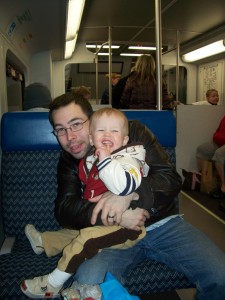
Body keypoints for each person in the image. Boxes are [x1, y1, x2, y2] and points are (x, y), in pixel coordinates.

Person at [21, 92, 225, 300]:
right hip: (108, 236)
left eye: (76, 124)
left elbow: (170, 178)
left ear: (91, 121)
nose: (70, 137)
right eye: (60, 130)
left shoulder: (131, 131)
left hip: (162, 224)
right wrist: (116, 215)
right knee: (89, 283)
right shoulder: (70, 161)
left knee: (221, 276)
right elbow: (64, 210)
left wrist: (130, 197)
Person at [21, 107, 148, 299]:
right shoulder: (90, 160)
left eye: (114, 131)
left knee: (87, 237)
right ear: (91, 138)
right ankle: (45, 242)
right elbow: (70, 204)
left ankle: (52, 283)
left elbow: (125, 185)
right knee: (75, 233)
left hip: (129, 227)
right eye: (101, 131)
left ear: (124, 141)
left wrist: (106, 161)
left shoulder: (127, 159)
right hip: (108, 222)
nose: (107, 135)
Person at [196, 115, 225, 199]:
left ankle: (223, 187)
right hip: (219, 141)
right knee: (202, 149)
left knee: (219, 154)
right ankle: (205, 180)